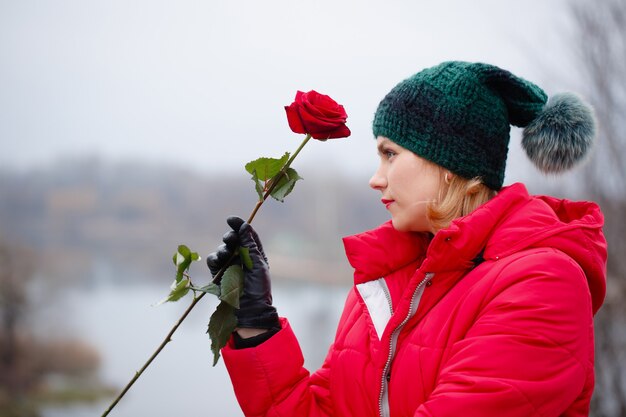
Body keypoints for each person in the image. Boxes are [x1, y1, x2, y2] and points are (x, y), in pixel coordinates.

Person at [206, 61, 607, 417]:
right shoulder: (385, 284)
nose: (376, 178)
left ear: (449, 164)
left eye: (391, 153)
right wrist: (255, 323)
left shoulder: (543, 284)